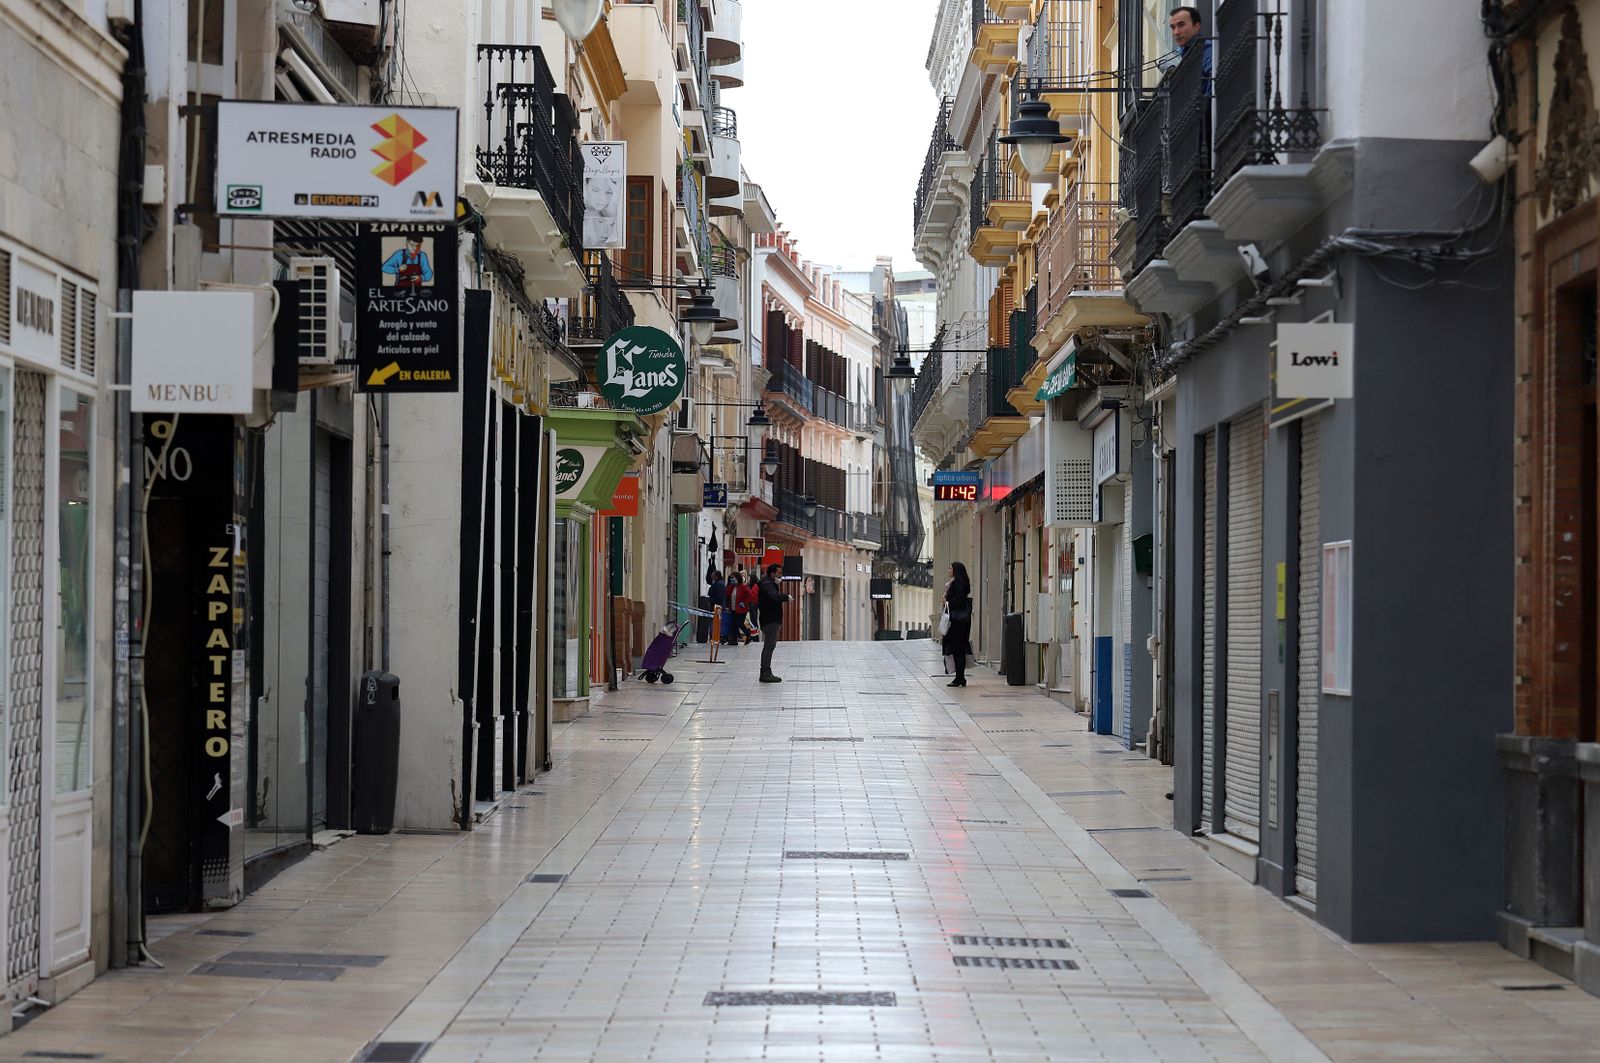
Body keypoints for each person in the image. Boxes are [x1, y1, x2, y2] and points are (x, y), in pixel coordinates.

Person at [1159, 6, 1213, 84]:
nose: (1176, 32)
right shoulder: (1187, 51)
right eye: (1173, 27)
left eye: (1181, 25)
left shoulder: (1205, 50)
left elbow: (1217, 79)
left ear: (1196, 26)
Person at [756, 563, 791, 683]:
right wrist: (786, 597)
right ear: (772, 573)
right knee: (769, 646)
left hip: (770, 619)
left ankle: (766, 671)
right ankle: (765, 673)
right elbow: (774, 597)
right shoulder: (767, 584)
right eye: (779, 573)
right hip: (770, 620)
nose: (780, 576)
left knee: (770, 646)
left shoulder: (769, 583)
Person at [942, 562, 974, 688]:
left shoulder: (957, 584)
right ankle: (959, 677)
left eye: (950, 568)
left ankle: (960, 678)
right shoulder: (957, 584)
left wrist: (947, 602)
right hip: (960, 622)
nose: (948, 570)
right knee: (958, 650)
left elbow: (958, 602)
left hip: (957, 622)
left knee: (957, 649)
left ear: (956, 570)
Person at [722, 572, 745, 645]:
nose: (732, 579)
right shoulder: (731, 587)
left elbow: (748, 596)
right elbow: (727, 595)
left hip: (739, 609)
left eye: (733, 578)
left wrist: (743, 603)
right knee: (732, 624)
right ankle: (733, 638)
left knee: (737, 623)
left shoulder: (742, 587)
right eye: (731, 578)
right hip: (732, 609)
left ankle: (745, 635)